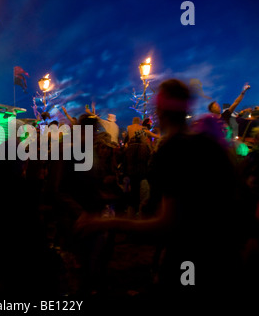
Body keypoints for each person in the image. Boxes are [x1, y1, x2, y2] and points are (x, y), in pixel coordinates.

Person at [76, 79, 244, 302]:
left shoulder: (173, 150)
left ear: (160, 111)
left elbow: (168, 223)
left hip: (188, 257)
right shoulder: (210, 144)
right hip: (224, 255)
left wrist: (106, 223)